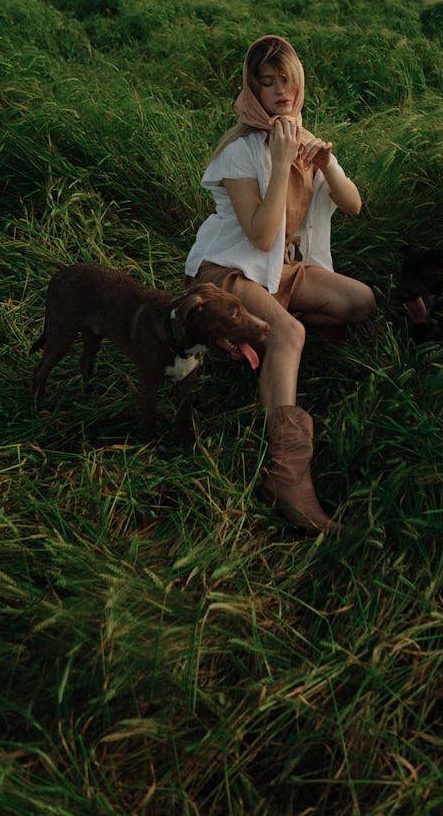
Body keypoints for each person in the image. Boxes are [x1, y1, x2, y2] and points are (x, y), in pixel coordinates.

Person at [185, 35, 375, 532]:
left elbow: (353, 205)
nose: (279, 91)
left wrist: (326, 162)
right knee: (291, 334)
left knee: (360, 301)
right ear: (252, 91)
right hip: (231, 269)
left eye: (285, 79)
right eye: (266, 83)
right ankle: (285, 478)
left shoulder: (304, 139)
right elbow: (263, 234)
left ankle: (262, 338)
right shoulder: (242, 151)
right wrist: (276, 164)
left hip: (283, 271)